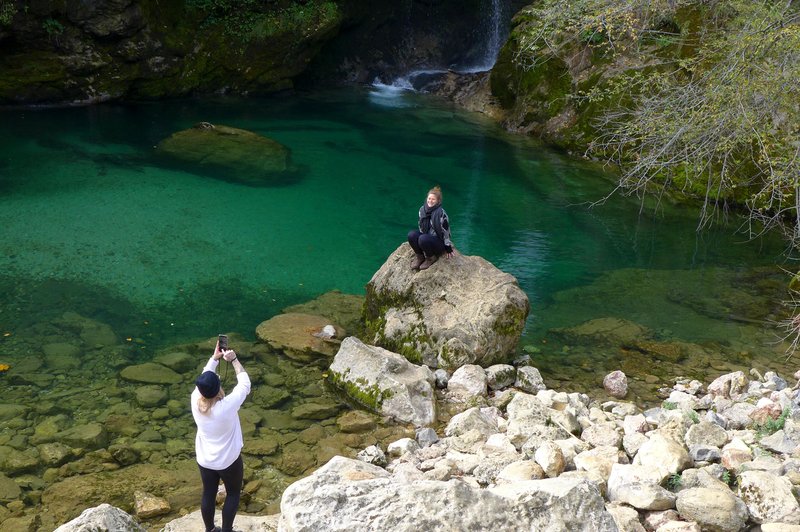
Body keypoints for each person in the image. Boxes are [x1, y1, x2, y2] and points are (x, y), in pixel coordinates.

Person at [191, 338, 251, 532]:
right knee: (233, 494)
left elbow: (204, 377)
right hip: (228, 461)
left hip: (205, 459)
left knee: (208, 493)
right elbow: (244, 384)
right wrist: (233, 360)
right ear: (218, 388)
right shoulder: (225, 407)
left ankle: (210, 529)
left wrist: (214, 359)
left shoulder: (195, 399)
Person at [408, 185, 455, 270]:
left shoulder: (441, 213)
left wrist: (448, 248)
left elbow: (446, 232)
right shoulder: (422, 210)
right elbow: (420, 225)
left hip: (438, 242)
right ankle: (420, 256)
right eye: (429, 198)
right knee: (411, 235)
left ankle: (431, 258)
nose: (430, 201)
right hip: (426, 238)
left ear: (438, 201)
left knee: (423, 238)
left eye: (433, 199)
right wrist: (419, 242)